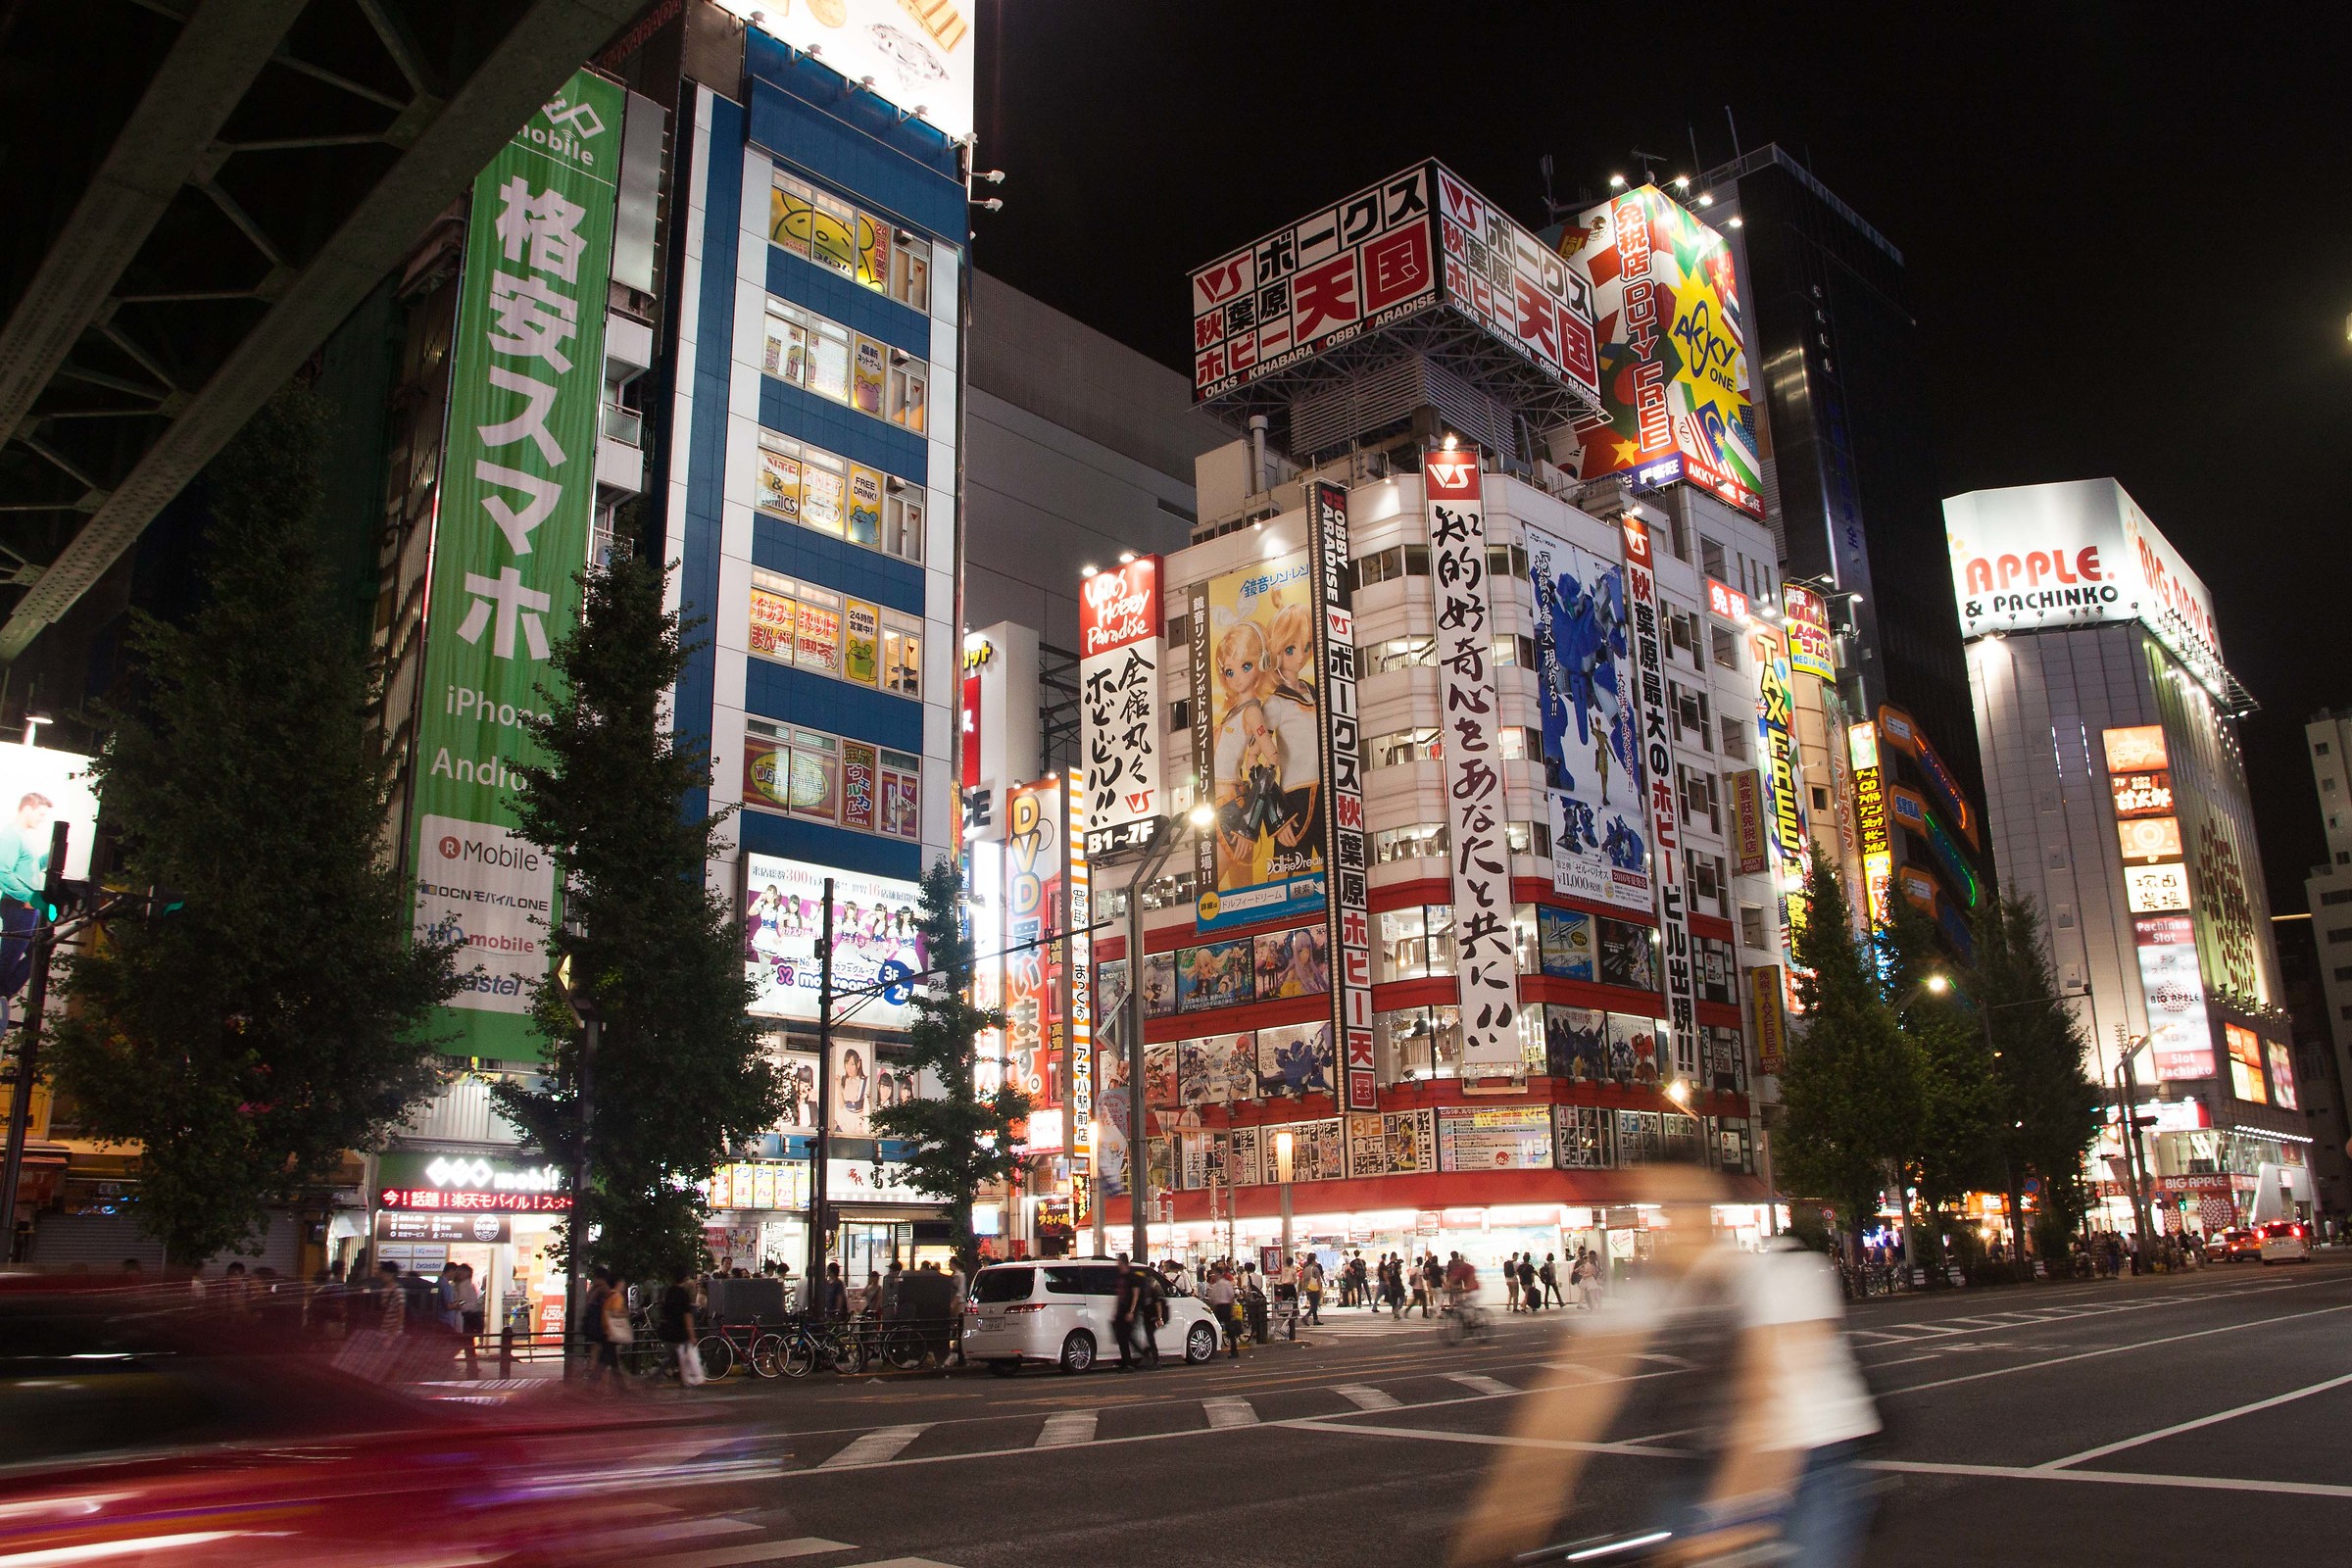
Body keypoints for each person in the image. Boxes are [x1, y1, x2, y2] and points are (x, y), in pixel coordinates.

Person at [0, 791, 54, 1000]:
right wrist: (27, 897)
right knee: (11, 956)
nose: (42, 820)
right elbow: (2, 871)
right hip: (20, 905)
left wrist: (51, 856)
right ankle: (2, 994)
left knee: (38, 952)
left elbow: (27, 871)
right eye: (41, 814)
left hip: (26, 905)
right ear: (28, 809)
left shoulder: (22, 837)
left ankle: (4, 994)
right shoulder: (12, 835)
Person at [1111, 1254, 1149, 1373]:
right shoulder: (1120, 1276)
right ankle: (1132, 1359)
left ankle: (1129, 1363)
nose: (1117, 1264)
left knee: (1124, 1336)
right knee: (1122, 1336)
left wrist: (1131, 1311)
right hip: (1121, 1310)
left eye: (1119, 1262)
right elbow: (1119, 1295)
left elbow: (1135, 1295)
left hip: (1129, 1311)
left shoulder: (1132, 1277)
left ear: (1123, 1262)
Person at [449, 1261, 484, 1378]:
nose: (458, 1273)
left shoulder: (467, 1286)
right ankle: (472, 1368)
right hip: (461, 1318)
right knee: (467, 1345)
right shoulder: (458, 1285)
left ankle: (471, 1368)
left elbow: (471, 1304)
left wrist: (460, 1305)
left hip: (466, 1318)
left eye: (461, 1272)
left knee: (465, 1344)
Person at [1202, 1264, 1241, 1357]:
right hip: (1225, 1307)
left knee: (1216, 1328)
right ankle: (1233, 1351)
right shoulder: (1224, 1284)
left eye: (1215, 1274)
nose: (1214, 1276)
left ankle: (1214, 1350)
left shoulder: (1217, 1285)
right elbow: (1231, 1296)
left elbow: (1213, 1299)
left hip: (1220, 1308)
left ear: (1219, 1274)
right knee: (1229, 1330)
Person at [1300, 1253, 1325, 1325]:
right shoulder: (1315, 1269)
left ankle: (1315, 1319)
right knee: (1315, 1305)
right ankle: (1306, 1316)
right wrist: (1320, 1290)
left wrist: (1303, 1288)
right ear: (1313, 1260)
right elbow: (1318, 1280)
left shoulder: (1305, 1269)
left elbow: (1303, 1280)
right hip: (1314, 1288)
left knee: (1312, 1303)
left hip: (1308, 1288)